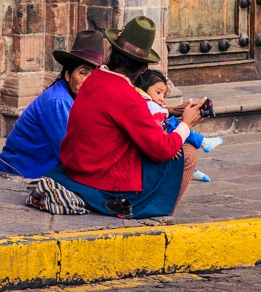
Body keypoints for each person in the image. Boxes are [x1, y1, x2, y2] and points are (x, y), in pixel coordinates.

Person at [43, 16, 206, 220]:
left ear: (112, 53)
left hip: (77, 168)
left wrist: (171, 111)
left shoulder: (95, 79)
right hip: (101, 179)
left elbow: (124, 117)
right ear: (143, 69)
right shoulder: (127, 97)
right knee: (188, 154)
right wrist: (186, 125)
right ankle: (162, 216)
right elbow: (162, 149)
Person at [0, 30, 104, 178]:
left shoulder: (76, 99)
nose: (89, 82)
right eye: (82, 73)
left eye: (94, 75)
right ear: (67, 74)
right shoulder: (59, 102)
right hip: (18, 176)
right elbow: (74, 156)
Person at [134, 69, 222, 182]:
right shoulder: (150, 106)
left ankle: (194, 166)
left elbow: (164, 110)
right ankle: (203, 143)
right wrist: (167, 145)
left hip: (163, 132)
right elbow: (154, 128)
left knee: (180, 128)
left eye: (164, 95)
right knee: (179, 126)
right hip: (162, 138)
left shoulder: (149, 103)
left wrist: (177, 110)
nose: (161, 98)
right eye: (158, 92)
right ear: (144, 90)